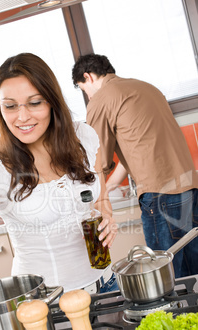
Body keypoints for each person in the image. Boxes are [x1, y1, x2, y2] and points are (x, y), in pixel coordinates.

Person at [0, 52, 118, 294]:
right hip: (44, 303)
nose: (22, 116)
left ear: (51, 101)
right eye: (10, 106)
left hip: (107, 285)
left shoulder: (83, 137)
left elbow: (100, 199)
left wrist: (107, 219)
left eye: (35, 103)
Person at [72, 53, 198, 278]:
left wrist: (98, 198)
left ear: (88, 77)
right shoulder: (146, 88)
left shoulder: (102, 99)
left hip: (159, 194)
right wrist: (109, 187)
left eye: (83, 90)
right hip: (189, 188)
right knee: (193, 271)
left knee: (167, 275)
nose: (88, 97)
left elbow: (96, 158)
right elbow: (138, 149)